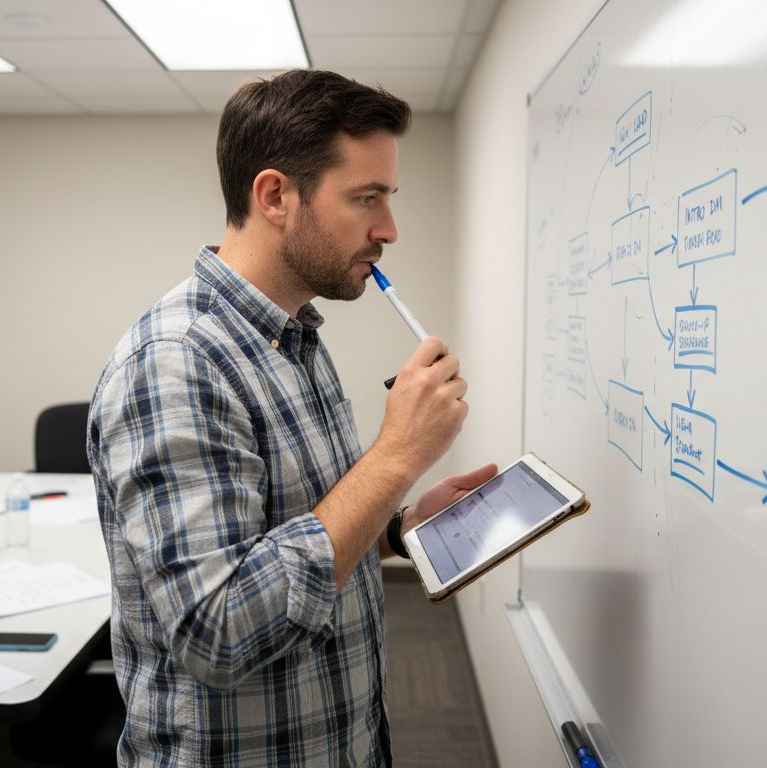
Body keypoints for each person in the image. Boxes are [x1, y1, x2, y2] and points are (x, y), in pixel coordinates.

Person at [88, 69, 497, 767]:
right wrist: (395, 456)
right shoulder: (177, 364)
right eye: (365, 199)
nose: (388, 229)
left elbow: (302, 530)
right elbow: (218, 633)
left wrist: (397, 529)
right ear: (276, 195)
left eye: (388, 198)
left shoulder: (295, 334)